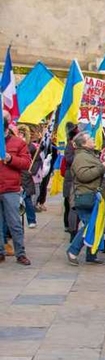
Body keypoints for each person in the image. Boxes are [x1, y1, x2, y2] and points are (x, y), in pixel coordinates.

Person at [66, 132, 105, 265]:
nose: (93, 139)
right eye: (89, 138)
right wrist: (101, 168)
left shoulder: (88, 154)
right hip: (85, 195)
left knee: (93, 224)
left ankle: (91, 254)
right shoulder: (81, 157)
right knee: (90, 225)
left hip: (90, 194)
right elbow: (83, 175)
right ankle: (73, 250)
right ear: (83, 144)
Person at [0, 110, 32, 265]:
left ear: (6, 128)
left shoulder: (18, 143)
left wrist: (10, 158)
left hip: (10, 188)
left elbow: (26, 163)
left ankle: (20, 253)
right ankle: (1, 252)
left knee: (14, 223)